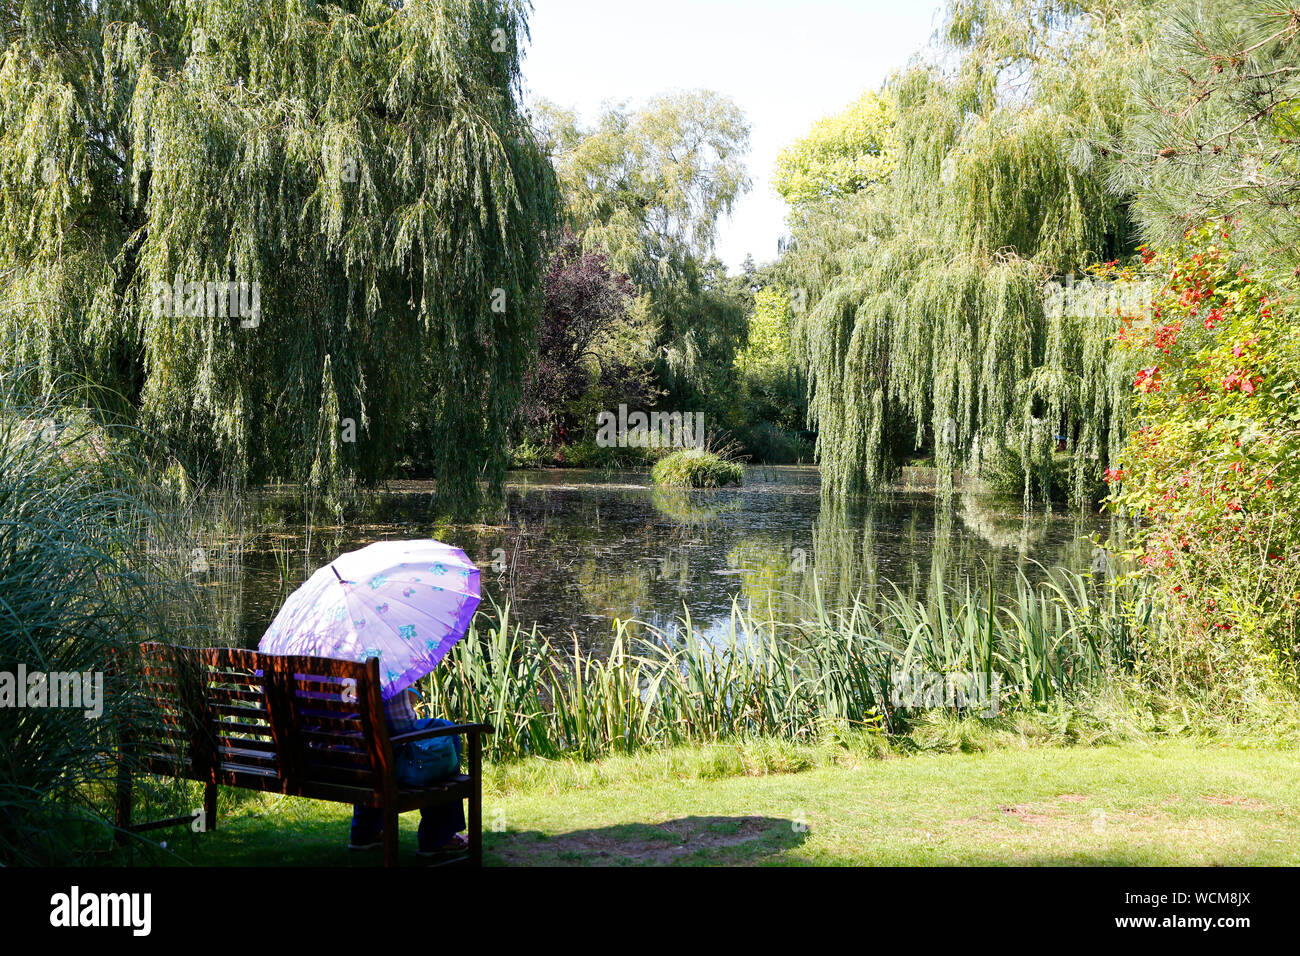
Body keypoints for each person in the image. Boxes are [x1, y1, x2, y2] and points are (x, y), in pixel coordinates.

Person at [347, 687, 468, 856]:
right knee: (446, 735)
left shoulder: (314, 671)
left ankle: (365, 832)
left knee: (369, 752)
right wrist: (408, 703)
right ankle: (438, 838)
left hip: (336, 765)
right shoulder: (385, 672)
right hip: (382, 766)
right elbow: (404, 725)